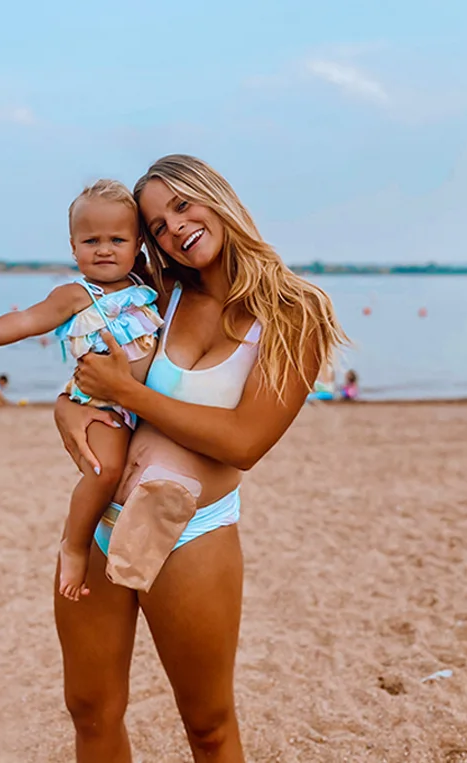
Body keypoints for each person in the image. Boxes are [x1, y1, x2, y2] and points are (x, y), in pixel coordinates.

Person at [53, 155, 347, 761]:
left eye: (183, 206)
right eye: (157, 226)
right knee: (89, 710)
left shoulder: (296, 314)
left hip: (192, 536)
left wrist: (128, 394)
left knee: (208, 725)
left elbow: (245, 441)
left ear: (216, 197)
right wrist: (66, 406)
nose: (175, 228)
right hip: (102, 524)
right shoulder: (158, 296)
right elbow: (96, 369)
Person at [0, 179, 163, 601]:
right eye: (91, 240)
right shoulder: (75, 294)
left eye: (117, 239)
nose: (104, 249)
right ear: (73, 248)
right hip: (99, 403)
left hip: (139, 406)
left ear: (137, 243)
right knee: (103, 470)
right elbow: (25, 321)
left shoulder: (144, 291)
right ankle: (74, 545)